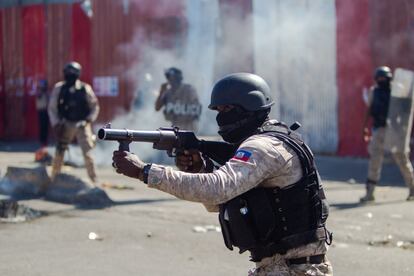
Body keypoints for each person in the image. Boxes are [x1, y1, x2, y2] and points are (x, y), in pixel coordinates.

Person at [113, 73, 333, 275]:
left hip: (296, 269)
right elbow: (224, 202)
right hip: (281, 267)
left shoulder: (263, 147)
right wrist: (201, 168)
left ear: (248, 106)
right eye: (218, 111)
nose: (220, 118)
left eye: (226, 109)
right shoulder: (272, 139)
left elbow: (217, 190)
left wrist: (145, 171)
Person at [361, 66, 414, 203]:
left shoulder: (397, 90)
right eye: (379, 78)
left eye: (383, 77)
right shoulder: (374, 91)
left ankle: (412, 188)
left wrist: (402, 131)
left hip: (394, 130)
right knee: (375, 160)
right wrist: (364, 127)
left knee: (402, 158)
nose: (381, 80)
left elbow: (405, 112)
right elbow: (369, 109)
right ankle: (370, 193)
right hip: (379, 129)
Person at [48, 61, 100, 183]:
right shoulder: (59, 88)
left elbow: (94, 106)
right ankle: (54, 178)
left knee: (88, 153)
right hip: (66, 123)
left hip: (82, 124)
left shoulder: (84, 88)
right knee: (60, 151)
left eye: (73, 73)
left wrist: (89, 119)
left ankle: (94, 180)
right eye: (68, 73)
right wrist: (56, 123)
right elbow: (52, 108)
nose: (70, 75)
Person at [35, 79, 49, 147]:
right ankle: (42, 140)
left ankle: (45, 140)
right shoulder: (39, 92)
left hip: (46, 111)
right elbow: (39, 95)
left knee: (45, 126)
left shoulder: (46, 92)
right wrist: (42, 89)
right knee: (42, 126)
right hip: (41, 111)